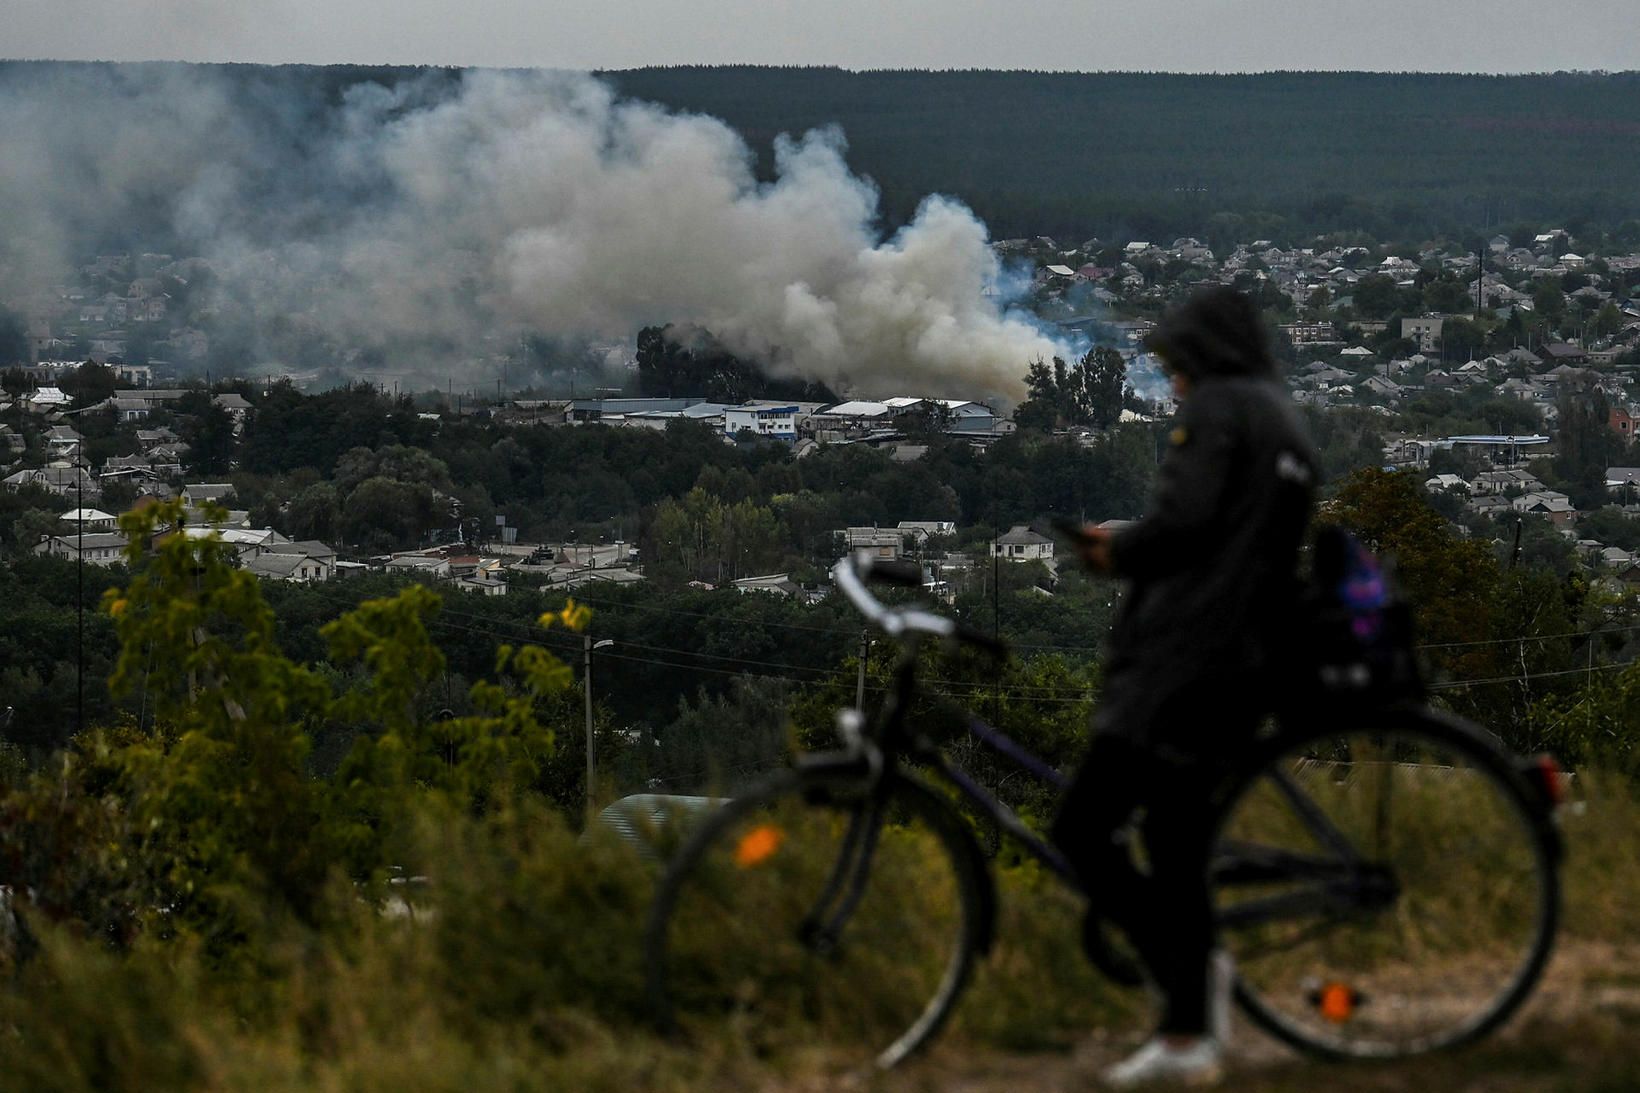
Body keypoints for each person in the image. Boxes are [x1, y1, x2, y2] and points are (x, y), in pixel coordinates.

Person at [1052, 286, 1319, 1087]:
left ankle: (1187, 997)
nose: (1171, 382)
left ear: (1204, 357)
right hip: (1246, 658)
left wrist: (1115, 552)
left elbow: (1186, 523)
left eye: (1177, 366)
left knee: (1084, 829)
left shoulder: (1216, 413)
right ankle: (1189, 1022)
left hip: (1186, 659)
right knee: (1175, 843)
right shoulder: (1283, 418)